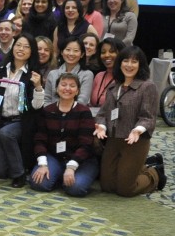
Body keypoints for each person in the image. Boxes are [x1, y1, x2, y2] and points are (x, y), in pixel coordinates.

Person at [94, 46, 165, 196]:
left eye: (134, 61)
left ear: (140, 65)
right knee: (107, 186)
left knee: (126, 189)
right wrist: (101, 126)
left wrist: (137, 130)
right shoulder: (113, 87)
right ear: (120, 63)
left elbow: (148, 117)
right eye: (125, 61)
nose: (129, 65)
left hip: (135, 141)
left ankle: (155, 173)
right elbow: (102, 114)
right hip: (113, 139)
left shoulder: (147, 87)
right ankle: (142, 166)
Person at [28, 73, 99, 197]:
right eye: (63, 84)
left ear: (77, 91)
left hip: (82, 160)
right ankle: (59, 175)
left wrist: (71, 167)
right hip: (55, 157)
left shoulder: (84, 112)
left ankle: (66, 175)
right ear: (56, 88)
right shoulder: (47, 110)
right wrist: (43, 164)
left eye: (72, 86)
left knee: (75, 189)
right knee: (39, 183)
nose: (67, 89)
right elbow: (40, 139)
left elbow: (86, 144)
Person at [0, 33, 45, 186]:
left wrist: (38, 87)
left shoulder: (33, 74)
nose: (21, 49)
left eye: (26, 47)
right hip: (3, 119)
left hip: (22, 121)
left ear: (31, 51)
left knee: (5, 134)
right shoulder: (0, 69)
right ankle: (18, 163)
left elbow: (36, 106)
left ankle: (19, 174)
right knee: (0, 173)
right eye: (19, 45)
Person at [43, 37, 94, 105]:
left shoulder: (87, 74)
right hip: (52, 114)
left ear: (82, 54)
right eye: (68, 50)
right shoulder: (52, 74)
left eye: (76, 50)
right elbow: (47, 100)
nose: (71, 54)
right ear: (61, 52)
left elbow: (82, 101)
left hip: (76, 114)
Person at [90, 38, 124, 108]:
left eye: (112, 51)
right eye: (103, 52)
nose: (107, 55)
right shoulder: (99, 76)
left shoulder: (126, 77)